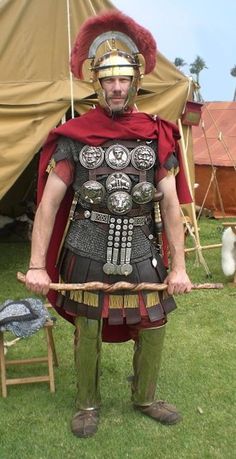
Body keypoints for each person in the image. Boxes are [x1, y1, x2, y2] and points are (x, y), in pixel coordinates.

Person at [25, 10, 192, 438]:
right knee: (90, 324)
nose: (116, 88)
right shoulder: (74, 136)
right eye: (108, 80)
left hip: (143, 247)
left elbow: (171, 207)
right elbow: (48, 205)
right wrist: (39, 265)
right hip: (86, 248)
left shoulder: (156, 136)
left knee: (153, 323)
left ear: (135, 82)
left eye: (123, 79)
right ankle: (86, 403)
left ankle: (146, 395)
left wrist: (179, 267)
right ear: (97, 84)